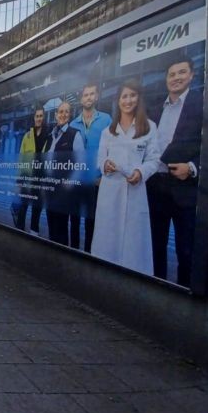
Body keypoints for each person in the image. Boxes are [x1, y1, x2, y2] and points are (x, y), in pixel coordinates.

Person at [91, 80, 160, 273]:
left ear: (138, 99)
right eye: (124, 96)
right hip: (110, 192)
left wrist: (140, 172)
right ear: (118, 100)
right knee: (107, 242)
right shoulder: (108, 132)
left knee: (134, 246)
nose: (128, 100)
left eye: (132, 95)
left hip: (135, 191)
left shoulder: (149, 128)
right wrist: (106, 165)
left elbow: (154, 160)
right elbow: (100, 160)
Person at [146, 57, 203, 287]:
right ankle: (156, 290)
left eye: (182, 72)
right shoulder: (156, 107)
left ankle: (182, 298)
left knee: (185, 250)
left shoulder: (201, 104)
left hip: (184, 187)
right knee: (155, 246)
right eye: (172, 74)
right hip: (156, 185)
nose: (176, 78)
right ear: (166, 79)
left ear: (191, 75)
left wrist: (192, 168)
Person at [69, 83, 112, 252]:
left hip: (96, 180)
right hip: (77, 180)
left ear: (97, 96)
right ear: (81, 99)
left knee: (91, 220)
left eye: (91, 94)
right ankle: (73, 250)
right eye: (85, 95)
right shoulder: (73, 124)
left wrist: (102, 175)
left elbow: (111, 148)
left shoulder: (107, 120)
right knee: (74, 219)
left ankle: (89, 252)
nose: (88, 97)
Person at [43, 101, 84, 246]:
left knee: (61, 227)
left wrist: (70, 184)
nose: (63, 115)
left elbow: (80, 164)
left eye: (66, 112)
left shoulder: (74, 135)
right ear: (55, 115)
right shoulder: (51, 136)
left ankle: (61, 260)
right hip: (50, 188)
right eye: (60, 112)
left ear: (70, 115)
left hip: (65, 191)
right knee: (51, 224)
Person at [11, 105, 50, 233]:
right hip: (27, 178)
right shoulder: (27, 136)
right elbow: (21, 159)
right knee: (23, 206)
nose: (39, 118)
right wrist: (18, 180)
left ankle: (34, 232)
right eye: (37, 116)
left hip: (40, 179)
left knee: (37, 208)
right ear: (34, 118)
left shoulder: (49, 136)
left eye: (41, 116)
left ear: (44, 117)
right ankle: (20, 229)